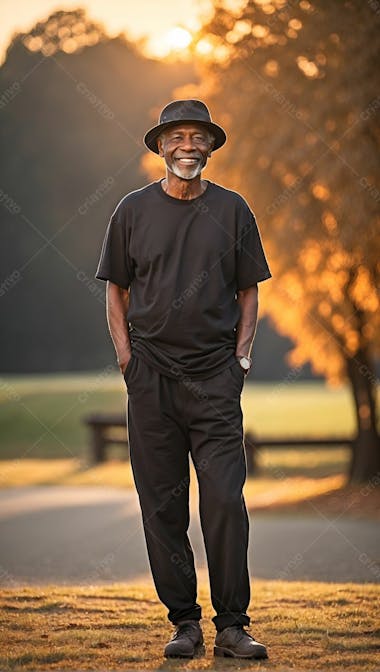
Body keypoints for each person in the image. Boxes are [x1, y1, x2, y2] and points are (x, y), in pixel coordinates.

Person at [95, 99, 271, 659]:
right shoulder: (131, 211)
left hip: (216, 382)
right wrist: (127, 360)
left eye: (199, 137)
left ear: (212, 146)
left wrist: (240, 359)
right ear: (161, 147)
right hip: (151, 382)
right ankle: (185, 623)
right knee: (163, 506)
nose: (188, 146)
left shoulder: (234, 209)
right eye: (178, 137)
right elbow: (115, 291)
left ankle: (232, 625)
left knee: (223, 499)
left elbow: (249, 290)